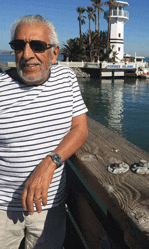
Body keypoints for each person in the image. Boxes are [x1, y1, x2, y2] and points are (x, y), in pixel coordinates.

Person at [0, 15, 88, 248]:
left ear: (54, 53)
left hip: (50, 208)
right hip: (2, 210)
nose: (27, 54)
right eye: (19, 46)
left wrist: (50, 162)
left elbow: (80, 128)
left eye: (37, 46)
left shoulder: (67, 78)